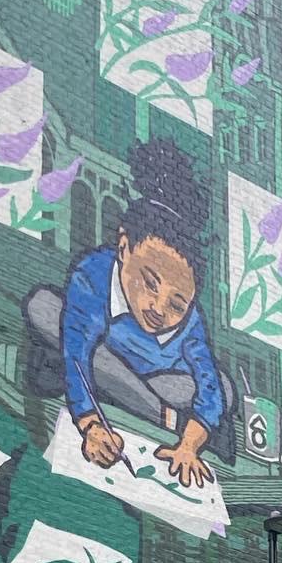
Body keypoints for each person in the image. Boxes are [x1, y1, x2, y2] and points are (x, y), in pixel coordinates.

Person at [58, 138, 224, 489]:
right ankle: (159, 413)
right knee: (44, 308)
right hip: (109, 365)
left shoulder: (191, 323)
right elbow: (76, 354)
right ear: (123, 248)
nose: (159, 309)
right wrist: (91, 424)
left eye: (177, 305)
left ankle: (158, 411)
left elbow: (208, 386)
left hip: (166, 383)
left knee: (215, 386)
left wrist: (189, 445)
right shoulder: (92, 275)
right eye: (149, 284)